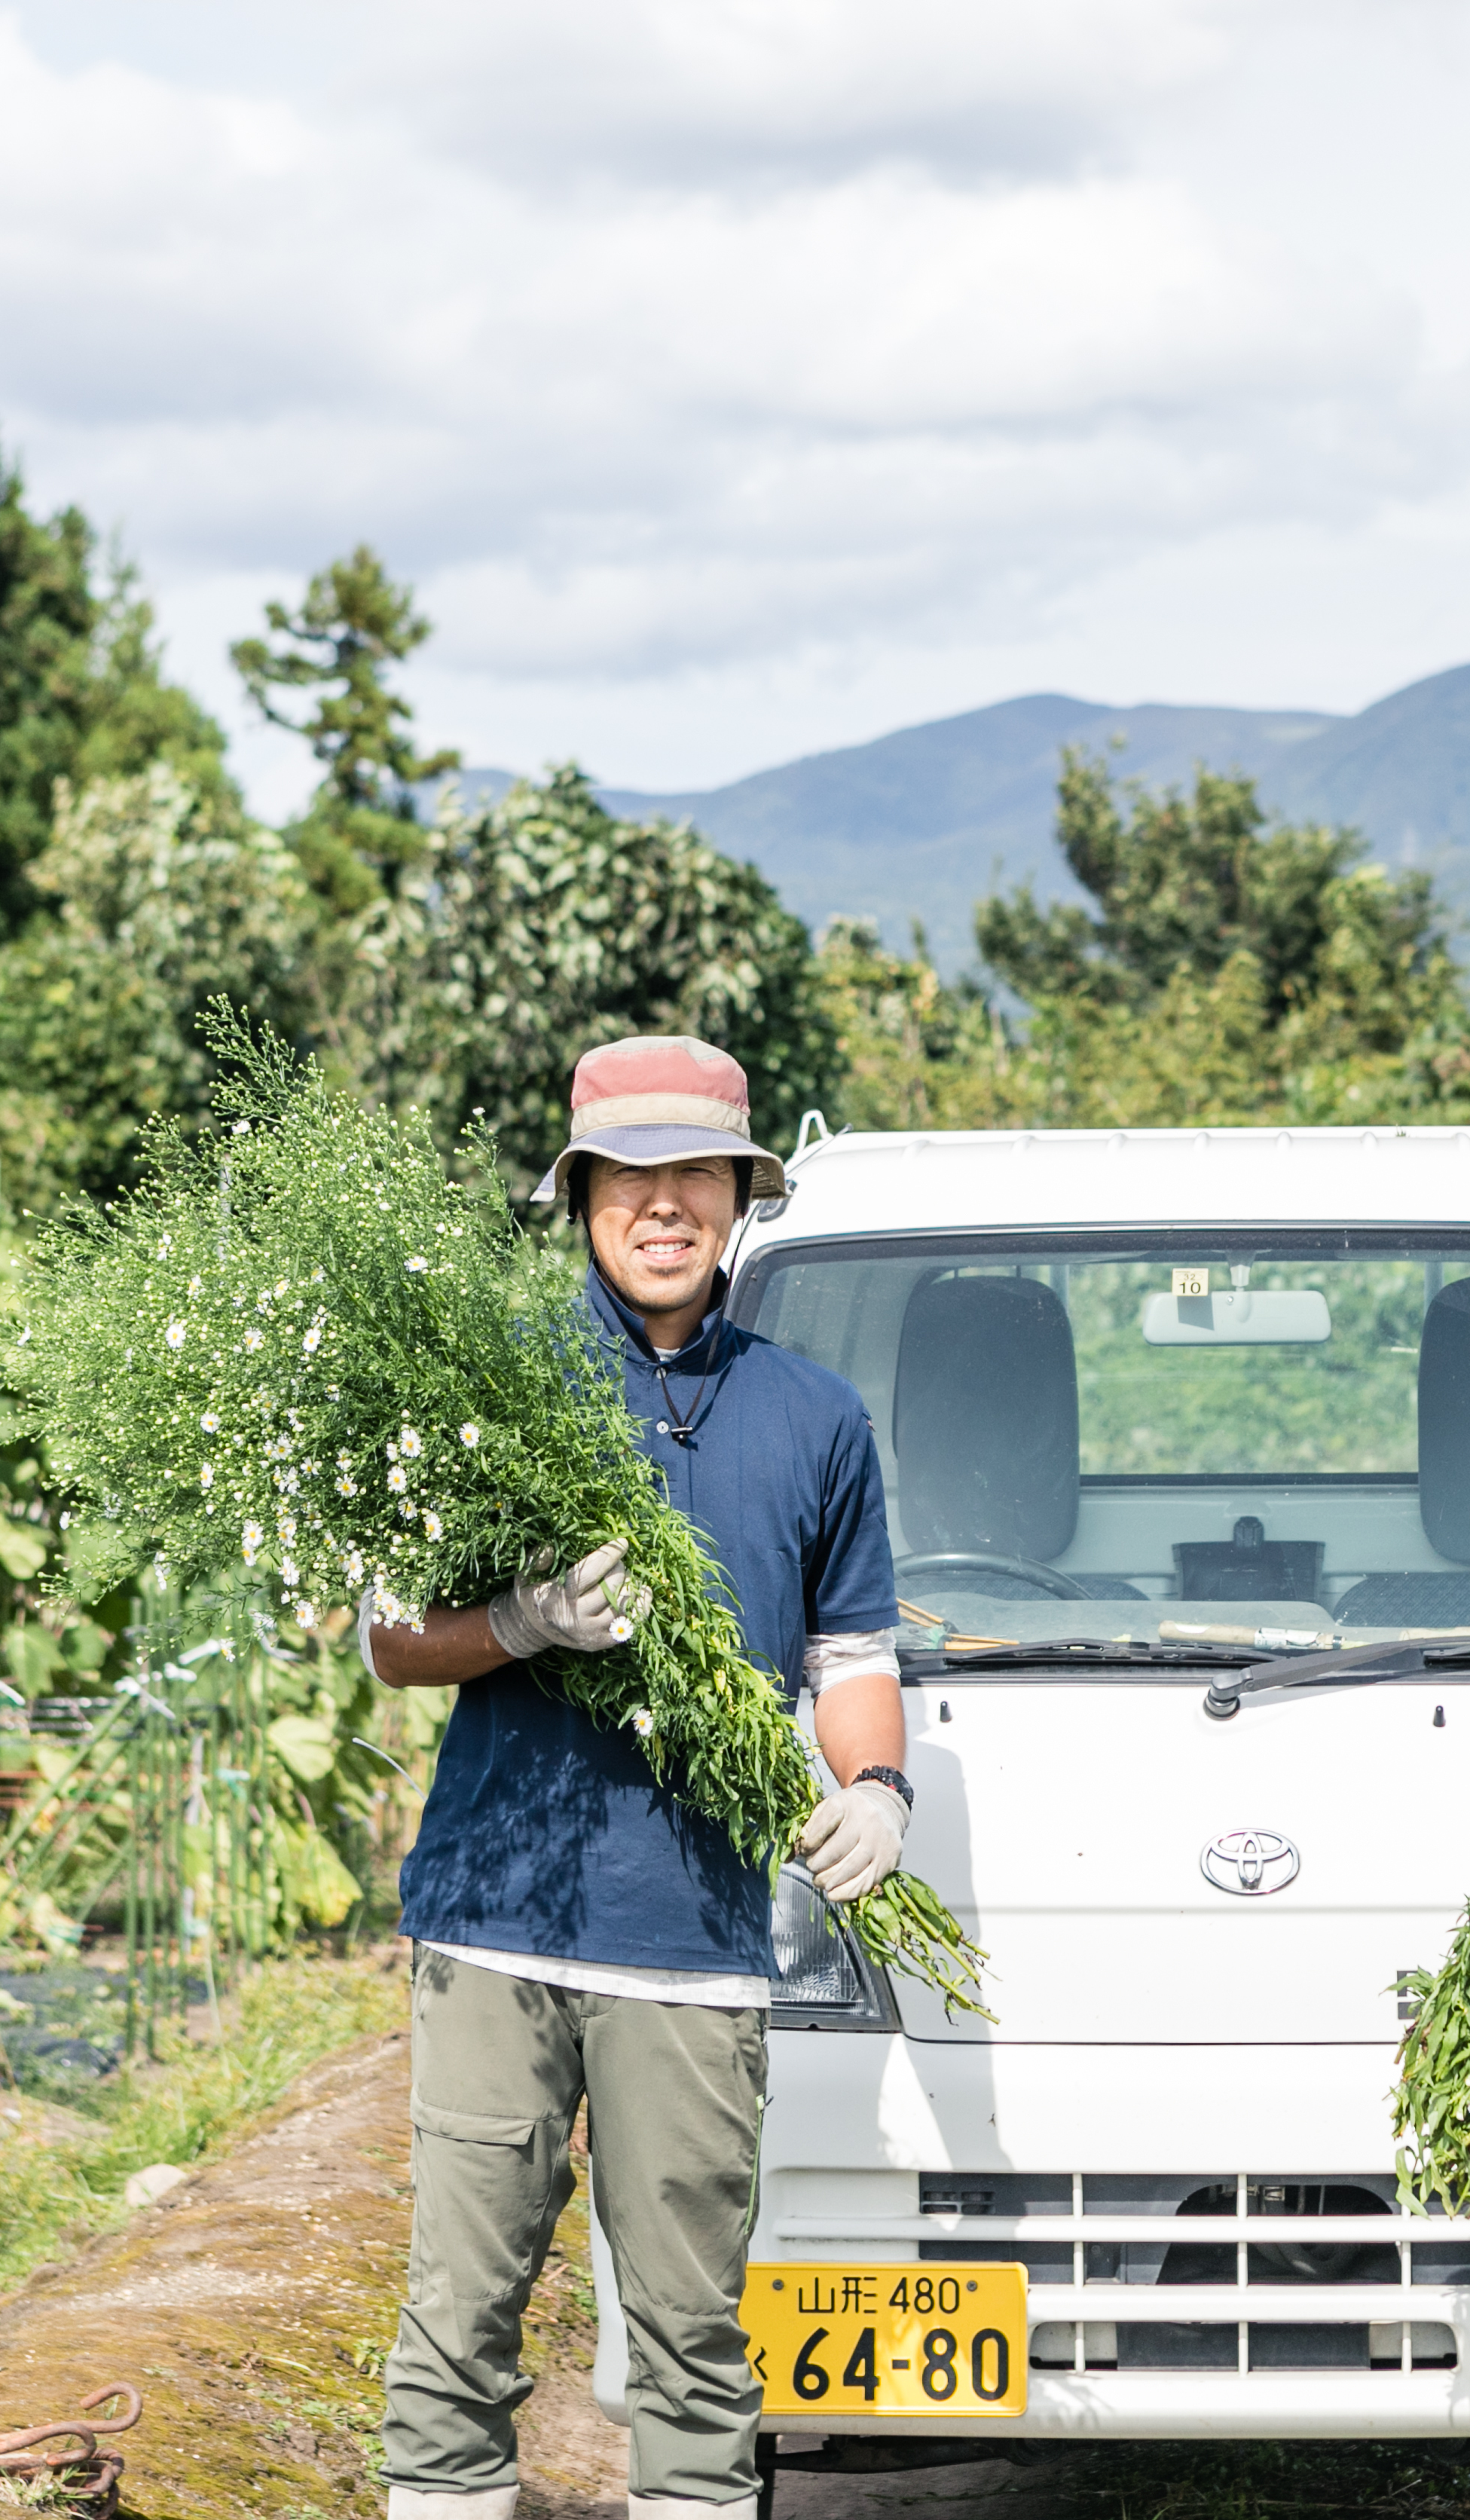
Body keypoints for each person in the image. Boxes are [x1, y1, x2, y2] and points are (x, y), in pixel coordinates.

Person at [361, 1035, 909, 2520]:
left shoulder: (816, 1416)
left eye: (696, 1175)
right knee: (460, 2325)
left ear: (740, 1195)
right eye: (631, 1175)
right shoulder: (498, 1387)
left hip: (696, 1941)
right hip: (497, 1922)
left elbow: (854, 1653)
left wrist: (877, 1789)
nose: (663, 1204)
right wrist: (521, 1625)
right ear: (584, 1192)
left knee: (690, 2344)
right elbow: (392, 1646)